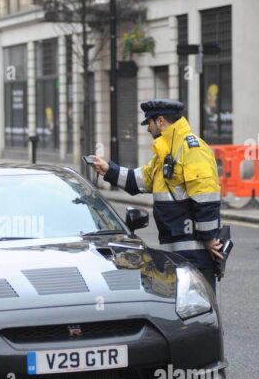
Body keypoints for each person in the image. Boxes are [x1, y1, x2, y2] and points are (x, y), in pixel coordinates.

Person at [91, 99, 224, 292]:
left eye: (149, 123)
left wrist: (209, 238)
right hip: (174, 249)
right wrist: (108, 170)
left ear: (161, 121)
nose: (147, 129)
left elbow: (206, 196)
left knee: (198, 308)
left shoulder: (191, 148)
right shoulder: (165, 152)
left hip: (195, 251)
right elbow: (141, 179)